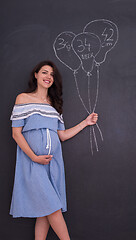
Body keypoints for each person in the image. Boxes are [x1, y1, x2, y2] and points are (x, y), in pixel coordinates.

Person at [9, 60, 98, 240]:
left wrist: (85, 122)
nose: (48, 77)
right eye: (44, 72)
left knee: (45, 211)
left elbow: (62, 135)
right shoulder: (23, 98)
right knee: (52, 207)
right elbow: (16, 134)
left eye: (51, 74)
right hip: (32, 162)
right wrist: (34, 157)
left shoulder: (54, 104)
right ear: (36, 75)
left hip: (53, 163)